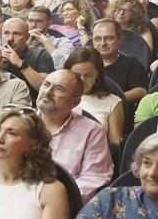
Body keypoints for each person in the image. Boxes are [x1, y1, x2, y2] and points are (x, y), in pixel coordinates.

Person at [35, 70, 113, 202]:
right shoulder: (20, 123)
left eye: (58, 89)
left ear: (75, 102)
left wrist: (51, 199)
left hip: (62, 205)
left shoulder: (92, 131)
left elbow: (93, 179)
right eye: (46, 84)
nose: (48, 92)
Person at [65, 47, 126, 152]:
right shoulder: (56, 96)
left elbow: (115, 144)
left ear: (97, 76)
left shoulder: (113, 102)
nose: (82, 80)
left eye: (88, 75)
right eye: (77, 75)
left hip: (95, 155)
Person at [92, 19, 148, 103]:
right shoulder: (85, 63)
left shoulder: (132, 63)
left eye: (108, 38)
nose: (102, 43)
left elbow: (141, 91)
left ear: (120, 40)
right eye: (97, 39)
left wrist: (111, 101)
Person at [0, 17, 54, 97]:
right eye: (6, 33)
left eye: (16, 34)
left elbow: (44, 88)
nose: (10, 38)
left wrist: (20, 63)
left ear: (27, 37)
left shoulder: (40, 54)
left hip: (30, 105)